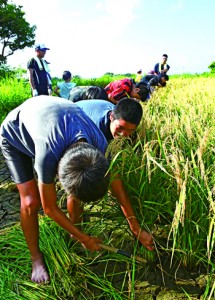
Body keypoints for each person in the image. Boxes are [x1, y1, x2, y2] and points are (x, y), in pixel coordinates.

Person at [0, 96, 154, 284]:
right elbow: (49, 208)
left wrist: (135, 228)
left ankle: (74, 230)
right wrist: (84, 238)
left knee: (81, 185)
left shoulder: (100, 144)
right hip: (15, 130)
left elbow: (117, 185)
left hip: (51, 115)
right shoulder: (47, 155)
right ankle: (36, 259)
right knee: (31, 202)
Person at [76, 97, 142, 142]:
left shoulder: (118, 113)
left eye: (130, 130)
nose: (123, 134)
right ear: (111, 117)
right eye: (120, 127)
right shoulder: (96, 130)